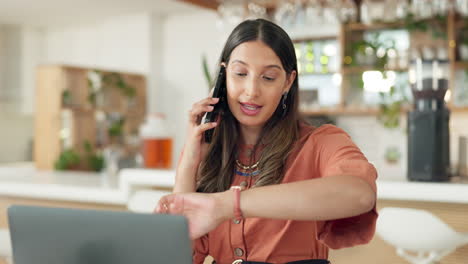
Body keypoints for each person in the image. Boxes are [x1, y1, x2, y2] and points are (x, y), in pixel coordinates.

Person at [155, 18, 378, 264]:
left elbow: (359, 195)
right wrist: (190, 161)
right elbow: (175, 256)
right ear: (223, 75)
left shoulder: (320, 143)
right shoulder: (210, 154)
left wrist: (227, 204)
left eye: (268, 78)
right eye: (240, 73)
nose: (251, 90)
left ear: (288, 82)